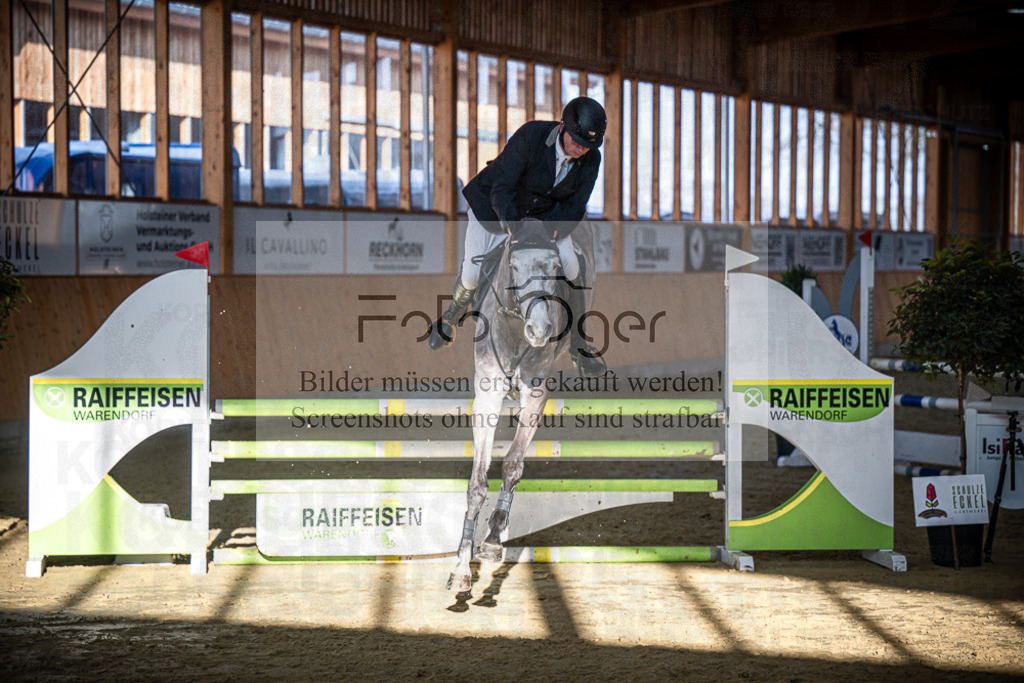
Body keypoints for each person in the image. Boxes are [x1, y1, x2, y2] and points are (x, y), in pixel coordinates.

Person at [426, 96, 607, 378]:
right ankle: (449, 318)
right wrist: (514, 227)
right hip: (496, 209)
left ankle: (578, 347)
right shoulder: (531, 136)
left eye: (588, 145)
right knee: (472, 273)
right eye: (576, 141)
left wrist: (551, 231)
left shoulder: (591, 159)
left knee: (573, 268)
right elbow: (502, 188)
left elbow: (575, 205)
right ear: (562, 127)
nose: (581, 148)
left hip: (544, 220)